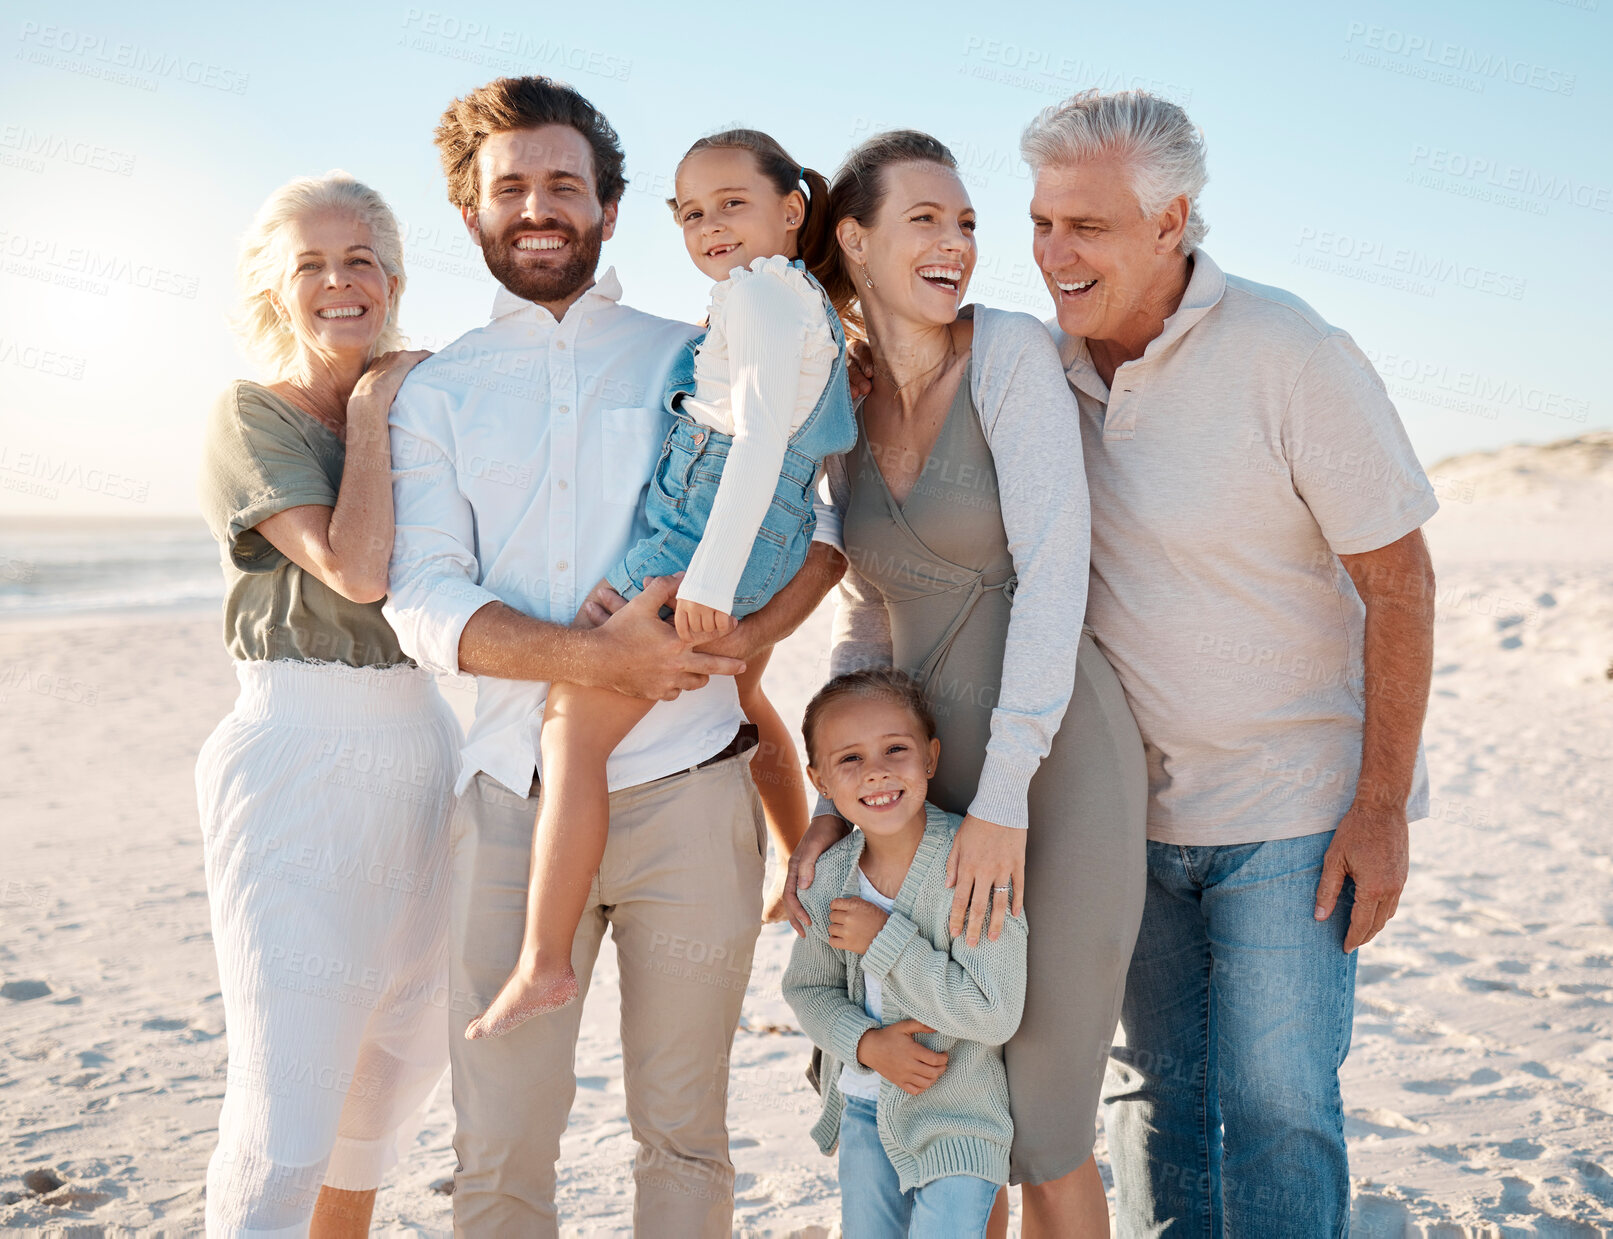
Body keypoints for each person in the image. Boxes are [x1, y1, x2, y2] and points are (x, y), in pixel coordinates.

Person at [383, 77, 846, 1236]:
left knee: (684, 1138)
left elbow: (823, 517)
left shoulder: (693, 346)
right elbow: (423, 598)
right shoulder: (433, 394)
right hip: (504, 807)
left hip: (692, 801)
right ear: (469, 210)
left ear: (608, 205)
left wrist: (753, 632)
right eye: (509, 188)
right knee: (495, 1151)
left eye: (563, 185)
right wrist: (592, 668)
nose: (537, 208)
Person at [1022, 89, 1439, 1234]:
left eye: (1086, 228)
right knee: (1153, 1099)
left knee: (1275, 1104)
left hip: (1293, 809)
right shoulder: (1027, 367)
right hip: (1122, 819)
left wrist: (1380, 806)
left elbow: (1397, 583)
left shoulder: (1289, 352)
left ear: (1173, 221)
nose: (1055, 254)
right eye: (1042, 222)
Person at [785, 131, 1149, 1239]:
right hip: (918, 773)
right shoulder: (839, 400)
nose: (955, 244)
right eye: (924, 221)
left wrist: (1000, 801)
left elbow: (1053, 571)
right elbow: (864, 606)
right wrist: (829, 796)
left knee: (1038, 1117)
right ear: (853, 239)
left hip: (1055, 767)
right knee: (945, 1091)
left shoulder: (1007, 355)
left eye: (966, 224)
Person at [466, 129, 857, 1038]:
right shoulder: (791, 300)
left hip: (707, 532)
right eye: (690, 212)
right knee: (745, 689)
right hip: (747, 527)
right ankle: (792, 869)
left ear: (791, 211)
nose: (711, 226)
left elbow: (756, 440)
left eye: (733, 204)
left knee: (570, 724)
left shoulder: (761, 296)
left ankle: (542, 960)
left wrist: (712, 582)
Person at [195, 171, 455, 1237]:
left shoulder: (431, 406)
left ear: (392, 278)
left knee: (386, 1085)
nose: (340, 282)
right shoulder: (251, 416)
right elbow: (354, 569)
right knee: (286, 1100)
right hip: (297, 755)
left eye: (360, 261)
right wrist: (372, 400)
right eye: (312, 263)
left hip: (425, 748)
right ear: (274, 284)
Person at [784, 668, 1027, 1239]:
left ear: (931, 759)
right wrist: (866, 1045)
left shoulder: (973, 867)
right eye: (850, 760)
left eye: (896, 749)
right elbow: (807, 992)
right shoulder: (831, 879)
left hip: (961, 1118)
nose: (876, 771)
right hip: (863, 1109)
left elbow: (994, 1012)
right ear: (820, 779)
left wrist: (884, 940)